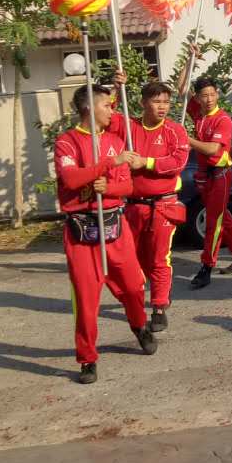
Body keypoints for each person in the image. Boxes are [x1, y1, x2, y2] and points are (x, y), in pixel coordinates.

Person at [54, 83, 156, 384]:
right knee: (86, 300)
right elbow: (71, 179)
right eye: (107, 105)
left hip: (114, 227)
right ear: (89, 107)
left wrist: (108, 187)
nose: (112, 110)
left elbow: (127, 186)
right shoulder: (67, 142)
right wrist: (108, 164)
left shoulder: (114, 140)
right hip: (82, 232)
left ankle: (139, 325)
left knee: (134, 288)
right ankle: (87, 358)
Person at [110, 72, 190, 331]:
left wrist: (146, 162)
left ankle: (158, 306)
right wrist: (116, 89)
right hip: (133, 207)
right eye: (156, 101)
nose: (162, 106)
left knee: (159, 258)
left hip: (164, 206)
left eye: (166, 101)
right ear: (143, 102)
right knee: (130, 259)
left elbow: (178, 162)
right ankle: (135, 299)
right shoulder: (129, 127)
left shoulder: (175, 131)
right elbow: (105, 117)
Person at [176, 59, 232, 288]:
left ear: (217, 94)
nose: (208, 99)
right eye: (204, 95)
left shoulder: (223, 120)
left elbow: (212, 149)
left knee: (213, 222)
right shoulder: (198, 112)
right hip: (204, 176)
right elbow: (181, 88)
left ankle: (206, 267)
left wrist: (186, 140)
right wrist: (189, 60)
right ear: (198, 98)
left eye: (211, 94)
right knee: (222, 217)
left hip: (220, 176)